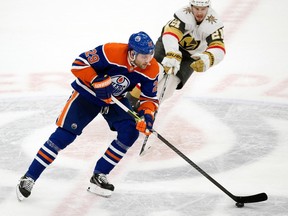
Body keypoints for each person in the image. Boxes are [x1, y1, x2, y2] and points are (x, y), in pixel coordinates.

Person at [16, 31, 161, 201]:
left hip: (115, 99)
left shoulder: (152, 68)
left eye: (150, 55)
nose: (148, 60)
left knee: (130, 132)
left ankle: (99, 176)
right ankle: (29, 177)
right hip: (88, 93)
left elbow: (149, 98)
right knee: (64, 136)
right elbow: (78, 64)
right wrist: (96, 79)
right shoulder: (111, 51)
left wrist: (147, 116)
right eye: (144, 56)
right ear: (132, 52)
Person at [127, 0, 226, 107]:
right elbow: (170, 34)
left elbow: (219, 48)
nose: (200, 12)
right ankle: (130, 99)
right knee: (155, 72)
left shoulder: (214, 23)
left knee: (170, 85)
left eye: (203, 9)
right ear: (191, 6)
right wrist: (172, 52)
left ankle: (148, 108)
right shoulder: (183, 14)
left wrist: (208, 59)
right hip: (168, 45)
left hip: (191, 56)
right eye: (197, 8)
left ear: (208, 7)